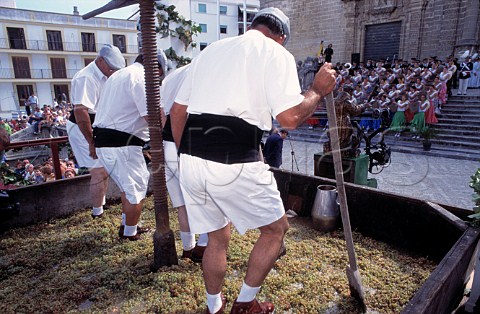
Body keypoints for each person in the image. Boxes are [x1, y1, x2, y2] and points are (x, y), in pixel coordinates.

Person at [170, 7, 336, 314]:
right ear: (281, 37)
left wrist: (186, 156)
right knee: (275, 230)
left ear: (252, 26)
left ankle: (213, 307)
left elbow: (178, 112)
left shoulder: (211, 51)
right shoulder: (275, 52)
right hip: (234, 157)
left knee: (217, 237)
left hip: (190, 156)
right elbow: (288, 118)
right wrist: (317, 90)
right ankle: (245, 304)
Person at [93, 51, 168, 241]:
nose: (158, 78)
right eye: (159, 74)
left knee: (129, 187)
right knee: (136, 188)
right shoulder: (142, 77)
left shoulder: (118, 75)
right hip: (121, 143)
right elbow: (151, 116)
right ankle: (129, 234)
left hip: (105, 141)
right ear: (156, 68)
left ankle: (127, 226)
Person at [67, 44, 125, 219]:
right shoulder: (86, 78)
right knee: (98, 170)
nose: (113, 71)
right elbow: (80, 111)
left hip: (98, 123)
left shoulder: (107, 74)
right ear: (100, 60)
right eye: (111, 68)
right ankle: (97, 212)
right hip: (82, 126)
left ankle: (101, 205)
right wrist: (92, 142)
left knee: (104, 170)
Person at [160, 64, 209, 261]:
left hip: (169, 141)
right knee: (208, 200)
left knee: (182, 203)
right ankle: (203, 246)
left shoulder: (172, 76)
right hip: (190, 142)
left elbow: (163, 113)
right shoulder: (206, 71)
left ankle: (188, 248)